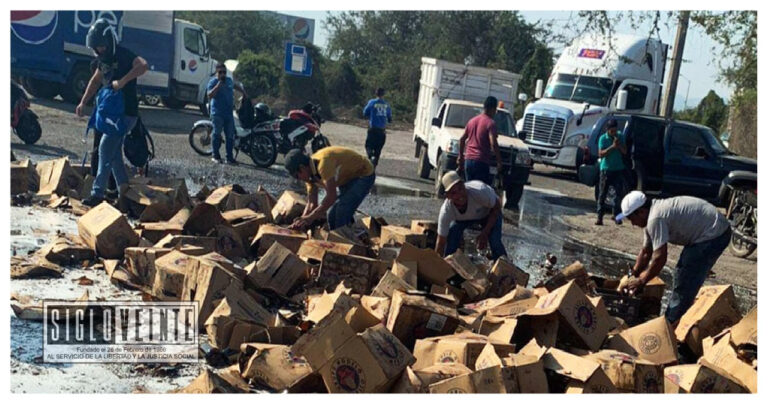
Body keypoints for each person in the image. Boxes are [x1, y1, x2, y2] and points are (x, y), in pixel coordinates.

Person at [617, 191, 732, 324]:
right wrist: (632, 274)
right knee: (688, 272)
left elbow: (660, 258)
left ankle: (670, 325)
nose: (632, 224)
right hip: (709, 230)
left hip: (715, 233)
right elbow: (646, 252)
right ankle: (678, 315)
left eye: (632, 219)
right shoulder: (651, 218)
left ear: (641, 212)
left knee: (684, 277)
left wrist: (641, 281)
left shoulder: (655, 218)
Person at [76, 18, 148, 207]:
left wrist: (123, 81)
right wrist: (83, 101)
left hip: (127, 113)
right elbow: (94, 81)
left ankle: (97, 193)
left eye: (101, 46)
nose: (99, 50)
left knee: (105, 147)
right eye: (96, 48)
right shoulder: (102, 61)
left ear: (109, 42)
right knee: (114, 153)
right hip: (111, 114)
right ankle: (124, 190)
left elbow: (143, 66)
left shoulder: (124, 55)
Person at [284, 146, 376, 232]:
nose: (299, 179)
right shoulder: (309, 175)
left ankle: (345, 241)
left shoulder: (323, 165)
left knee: (342, 210)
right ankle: (338, 235)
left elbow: (331, 197)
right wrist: (301, 220)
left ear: (302, 168)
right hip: (346, 178)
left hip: (363, 174)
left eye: (297, 176)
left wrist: (310, 218)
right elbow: (312, 203)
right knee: (331, 214)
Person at [435, 171, 508, 260]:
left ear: (464, 186)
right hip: (464, 219)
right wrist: (436, 263)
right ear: (448, 196)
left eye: (461, 189)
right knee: (452, 233)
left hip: (488, 213)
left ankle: (505, 267)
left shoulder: (480, 191)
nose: (459, 195)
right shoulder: (446, 210)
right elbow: (441, 241)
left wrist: (485, 232)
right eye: (454, 193)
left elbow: (497, 206)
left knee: (495, 241)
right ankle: (451, 264)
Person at [458, 96, 502, 186]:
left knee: (469, 188)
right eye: (495, 110)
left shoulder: (472, 121)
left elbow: (462, 139)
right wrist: (499, 161)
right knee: (479, 190)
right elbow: (493, 143)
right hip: (481, 162)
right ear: (492, 109)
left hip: (468, 160)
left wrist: (461, 156)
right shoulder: (490, 123)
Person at [207, 63, 246, 164]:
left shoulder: (229, 80)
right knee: (216, 134)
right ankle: (215, 156)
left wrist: (244, 92)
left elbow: (235, 85)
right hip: (217, 113)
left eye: (224, 72)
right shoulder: (213, 82)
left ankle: (229, 157)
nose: (223, 74)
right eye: (220, 72)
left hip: (228, 113)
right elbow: (210, 95)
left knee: (230, 136)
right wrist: (218, 85)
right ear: (216, 73)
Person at [595, 118, 628, 225]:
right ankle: (600, 217)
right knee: (603, 194)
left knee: (619, 194)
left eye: (615, 130)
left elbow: (625, 151)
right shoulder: (603, 139)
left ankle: (617, 215)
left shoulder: (620, 136)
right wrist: (612, 147)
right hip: (606, 169)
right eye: (611, 131)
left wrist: (619, 146)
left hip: (618, 169)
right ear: (607, 130)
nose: (614, 133)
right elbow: (601, 154)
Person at [362, 88, 392, 168]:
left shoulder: (372, 102)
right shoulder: (387, 105)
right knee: (378, 149)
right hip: (381, 131)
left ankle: (371, 156)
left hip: (373, 129)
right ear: (383, 94)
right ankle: (374, 165)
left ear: (376, 93)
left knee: (368, 145)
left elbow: (365, 112)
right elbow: (389, 118)